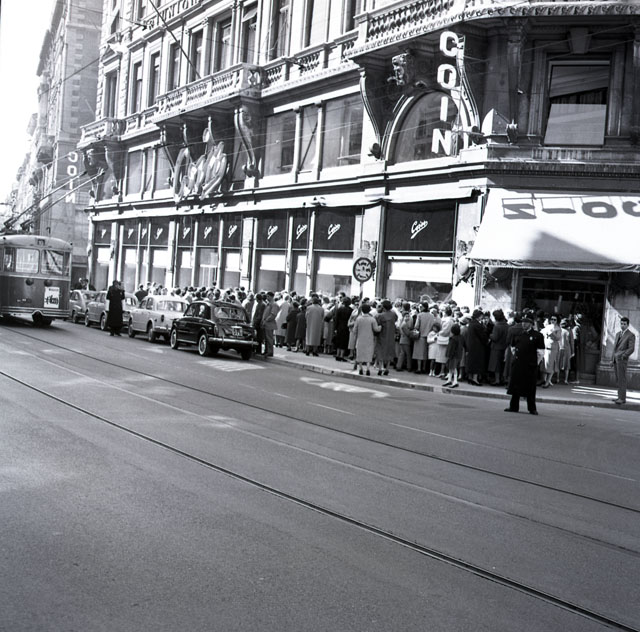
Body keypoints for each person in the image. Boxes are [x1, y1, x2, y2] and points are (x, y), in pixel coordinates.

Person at [504, 315, 544, 415]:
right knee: (516, 385)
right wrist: (517, 357)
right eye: (523, 322)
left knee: (530, 387)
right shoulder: (518, 334)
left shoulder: (537, 335)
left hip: (530, 365)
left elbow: (540, 352)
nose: (524, 324)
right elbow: (513, 347)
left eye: (526, 322)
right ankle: (513, 406)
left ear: (531, 324)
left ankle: (532, 408)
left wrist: (535, 362)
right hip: (518, 363)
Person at [612, 316, 636, 405]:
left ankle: (622, 398)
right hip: (616, 359)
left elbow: (631, 348)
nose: (622, 325)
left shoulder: (631, 335)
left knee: (622, 379)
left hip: (622, 360)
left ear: (628, 325)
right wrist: (612, 359)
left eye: (624, 324)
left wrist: (624, 355)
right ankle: (619, 397)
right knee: (618, 379)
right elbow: (614, 348)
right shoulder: (618, 334)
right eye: (621, 324)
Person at [353, 303, 381, 376]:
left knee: (360, 353)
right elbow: (376, 329)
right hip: (369, 339)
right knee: (368, 353)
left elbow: (354, 330)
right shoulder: (372, 319)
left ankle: (360, 368)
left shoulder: (359, 319)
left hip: (360, 339)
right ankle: (368, 369)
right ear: (369, 310)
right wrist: (380, 327)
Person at [374, 299, 398, 375]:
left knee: (380, 351)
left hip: (382, 335)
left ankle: (380, 368)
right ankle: (387, 368)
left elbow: (377, 325)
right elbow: (396, 320)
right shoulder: (394, 314)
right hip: (391, 335)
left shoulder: (380, 316)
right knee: (389, 352)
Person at [541, 314, 562, 388]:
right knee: (544, 365)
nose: (553, 321)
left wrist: (552, 333)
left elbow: (558, 338)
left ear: (557, 321)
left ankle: (547, 382)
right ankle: (544, 380)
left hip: (552, 348)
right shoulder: (548, 326)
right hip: (545, 347)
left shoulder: (558, 329)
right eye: (552, 319)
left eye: (554, 319)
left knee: (550, 366)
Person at [443, 323, 464, 388]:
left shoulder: (453, 339)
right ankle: (449, 380)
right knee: (452, 367)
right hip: (459, 354)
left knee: (453, 368)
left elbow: (451, 348)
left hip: (453, 355)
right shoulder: (461, 337)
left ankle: (455, 381)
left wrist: (449, 355)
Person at [261, 291, 280, 357]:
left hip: (270, 324)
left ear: (272, 297)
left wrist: (266, 320)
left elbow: (273, 314)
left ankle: (270, 351)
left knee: (269, 338)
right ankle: (266, 350)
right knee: (266, 338)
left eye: (268, 296)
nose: (267, 297)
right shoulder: (268, 304)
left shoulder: (274, 304)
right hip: (265, 324)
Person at [558, 319, 575, 384]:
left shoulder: (559, 330)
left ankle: (557, 379)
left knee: (558, 364)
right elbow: (572, 342)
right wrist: (573, 351)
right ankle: (565, 380)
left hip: (559, 348)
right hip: (567, 349)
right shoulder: (569, 331)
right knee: (567, 365)